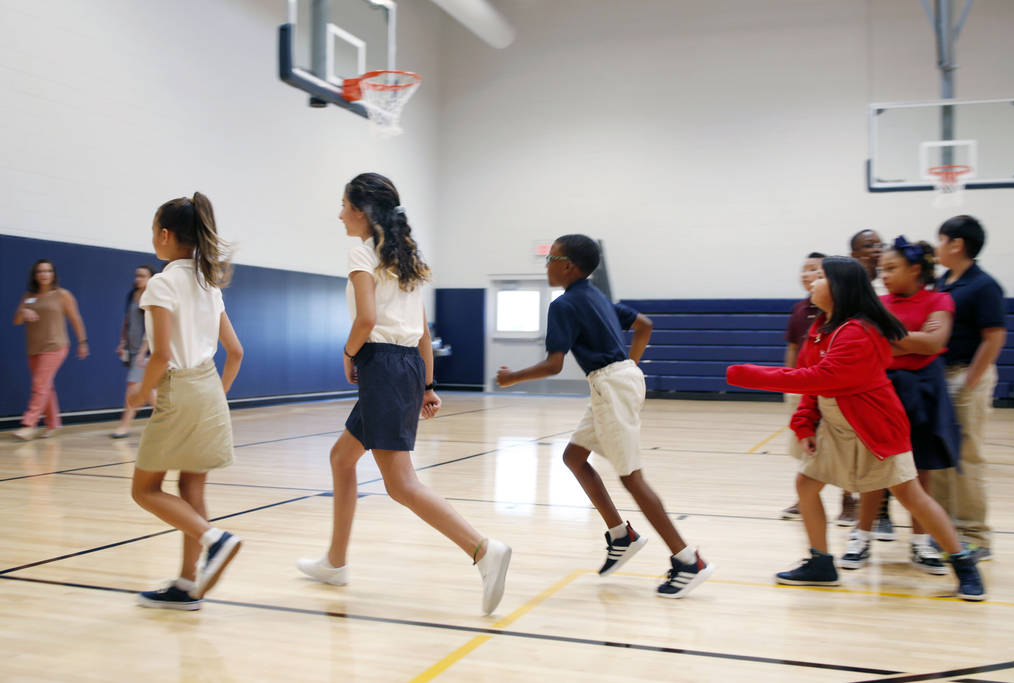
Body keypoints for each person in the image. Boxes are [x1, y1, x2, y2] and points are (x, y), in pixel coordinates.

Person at [297, 173, 512, 616]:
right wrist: (428, 384)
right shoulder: (405, 259)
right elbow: (423, 333)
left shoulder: (361, 255)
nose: (339, 214)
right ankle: (335, 562)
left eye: (343, 206)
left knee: (401, 483)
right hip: (406, 367)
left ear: (361, 211)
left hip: (382, 364)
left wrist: (348, 352)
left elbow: (366, 319)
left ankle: (482, 549)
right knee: (342, 459)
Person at [726, 256, 985, 601]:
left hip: (874, 425)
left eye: (820, 276)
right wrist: (804, 424)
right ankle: (821, 563)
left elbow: (819, 377)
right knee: (806, 485)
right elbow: (812, 385)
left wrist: (745, 374)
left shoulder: (859, 332)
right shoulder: (820, 329)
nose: (812, 281)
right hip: (835, 424)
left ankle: (964, 563)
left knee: (912, 496)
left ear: (838, 287)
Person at [496, 234, 715, 599]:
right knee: (573, 457)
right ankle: (620, 535)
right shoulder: (597, 295)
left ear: (568, 265)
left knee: (632, 479)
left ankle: (688, 560)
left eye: (550, 257)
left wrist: (511, 378)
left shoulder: (564, 305)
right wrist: (628, 366)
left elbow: (553, 365)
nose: (546, 263)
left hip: (612, 384)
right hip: (614, 382)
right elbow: (644, 324)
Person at [130, 193, 244, 610]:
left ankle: (215, 539)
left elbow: (160, 355)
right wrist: (216, 395)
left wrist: (141, 393)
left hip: (178, 389)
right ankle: (185, 584)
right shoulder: (207, 284)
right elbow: (236, 352)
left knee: (145, 489)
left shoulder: (162, 283)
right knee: (191, 487)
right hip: (209, 386)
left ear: (164, 235)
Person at [841, 237, 959, 576]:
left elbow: (934, 342)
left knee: (921, 470)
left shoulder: (940, 299)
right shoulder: (877, 302)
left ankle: (922, 544)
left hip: (924, 392)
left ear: (915, 269)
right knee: (876, 468)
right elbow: (876, 344)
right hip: (883, 391)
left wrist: (890, 338)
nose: (884, 275)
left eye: (892, 268)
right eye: (882, 270)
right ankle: (861, 536)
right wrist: (913, 341)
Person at [927, 215, 1006, 562]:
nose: (937, 247)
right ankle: (945, 531)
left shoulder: (984, 285)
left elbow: (994, 337)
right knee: (941, 455)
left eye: (941, 240)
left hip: (966, 377)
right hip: (941, 378)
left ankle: (976, 535)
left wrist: (969, 383)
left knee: (967, 458)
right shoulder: (945, 281)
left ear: (957, 244)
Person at [781, 251, 858, 525]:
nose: (807, 275)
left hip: (834, 394)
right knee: (807, 445)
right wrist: (790, 380)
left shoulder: (846, 323)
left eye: (816, 271)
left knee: (843, 450)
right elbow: (793, 347)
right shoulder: (801, 310)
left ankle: (850, 500)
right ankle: (806, 498)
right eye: (804, 269)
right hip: (806, 387)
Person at [11, 259, 90, 440]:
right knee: (46, 386)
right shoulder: (28, 297)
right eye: (40, 271)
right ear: (35, 275)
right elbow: (16, 320)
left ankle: (28, 424)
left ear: (53, 274)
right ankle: (53, 424)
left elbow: (75, 319)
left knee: (39, 384)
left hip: (56, 345)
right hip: (33, 348)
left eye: (47, 271)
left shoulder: (62, 295)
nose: (44, 274)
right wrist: (24, 312)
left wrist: (82, 342)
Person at [849, 228, 895, 539]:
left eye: (879, 243)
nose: (876, 249)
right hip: (855, 379)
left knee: (889, 452)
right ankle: (861, 513)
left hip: (887, 376)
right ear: (854, 254)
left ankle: (884, 513)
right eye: (868, 245)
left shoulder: (892, 280)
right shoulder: (849, 286)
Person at [112, 265, 157, 438]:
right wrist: (122, 342)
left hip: (145, 351)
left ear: (152, 279)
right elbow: (127, 320)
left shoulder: (152, 298)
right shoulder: (131, 295)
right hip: (131, 348)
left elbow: (151, 327)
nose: (138, 278)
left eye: (143, 276)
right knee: (146, 389)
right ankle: (165, 418)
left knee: (132, 388)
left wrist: (142, 352)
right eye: (137, 275)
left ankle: (124, 426)